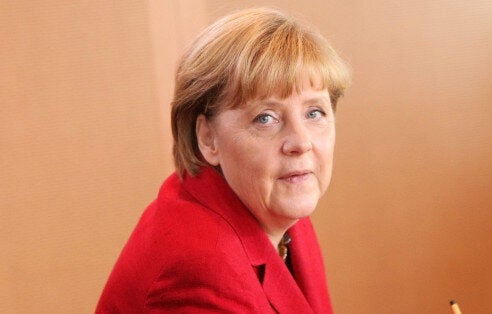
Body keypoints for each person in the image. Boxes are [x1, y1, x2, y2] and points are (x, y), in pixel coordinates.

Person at [96, 7, 350, 313]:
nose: (301, 142)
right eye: (265, 118)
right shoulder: (199, 272)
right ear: (207, 138)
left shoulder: (278, 203)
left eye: (314, 112)